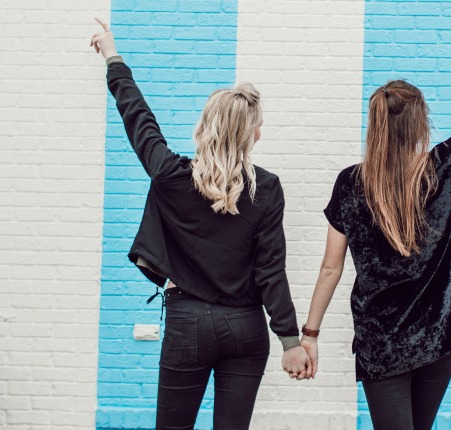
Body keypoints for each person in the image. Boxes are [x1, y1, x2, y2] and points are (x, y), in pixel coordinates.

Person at [296, 10, 451, 430]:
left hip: (381, 340)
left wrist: (310, 335)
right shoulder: (443, 167)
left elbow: (331, 266)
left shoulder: (350, 183)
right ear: (420, 122)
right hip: (439, 334)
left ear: (376, 124)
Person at [90, 18, 310, 429]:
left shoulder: (170, 174)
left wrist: (112, 55)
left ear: (205, 126)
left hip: (187, 322)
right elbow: (271, 271)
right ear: (253, 136)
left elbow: (138, 117)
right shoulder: (267, 188)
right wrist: (290, 341)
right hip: (245, 328)